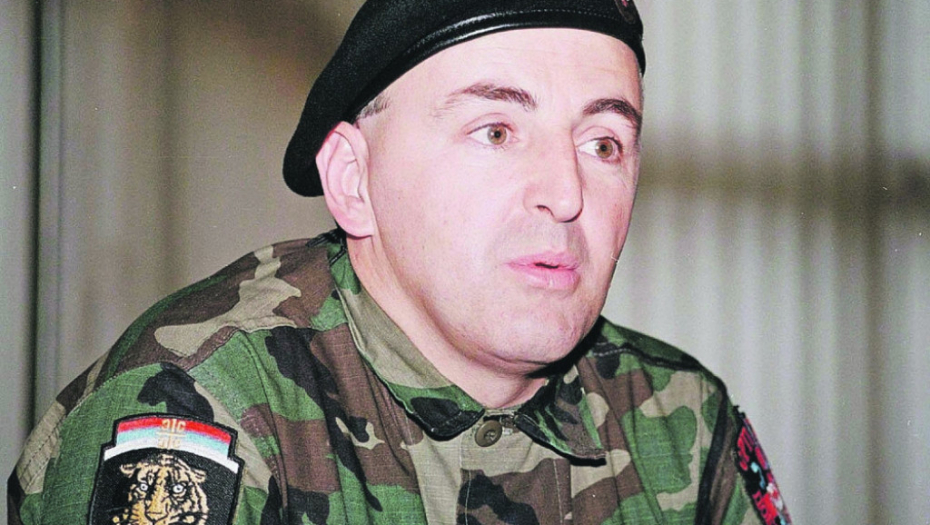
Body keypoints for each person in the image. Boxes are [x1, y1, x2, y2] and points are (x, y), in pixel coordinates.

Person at [9, 1, 792, 524]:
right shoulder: (203, 403)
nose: (565, 193)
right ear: (355, 181)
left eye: (604, 144)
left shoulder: (681, 421)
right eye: (496, 131)